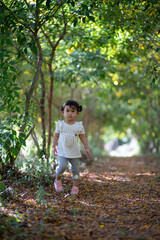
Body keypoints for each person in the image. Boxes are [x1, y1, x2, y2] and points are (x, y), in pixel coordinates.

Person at [52, 100, 91, 195]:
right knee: (62, 166)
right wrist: (53, 147)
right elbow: (56, 136)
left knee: (75, 170)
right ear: (63, 112)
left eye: (73, 111)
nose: (70, 113)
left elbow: (82, 138)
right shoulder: (60, 124)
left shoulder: (79, 126)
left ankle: (75, 186)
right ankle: (57, 179)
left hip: (74, 152)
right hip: (62, 151)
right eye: (67, 111)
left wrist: (86, 148)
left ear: (77, 113)